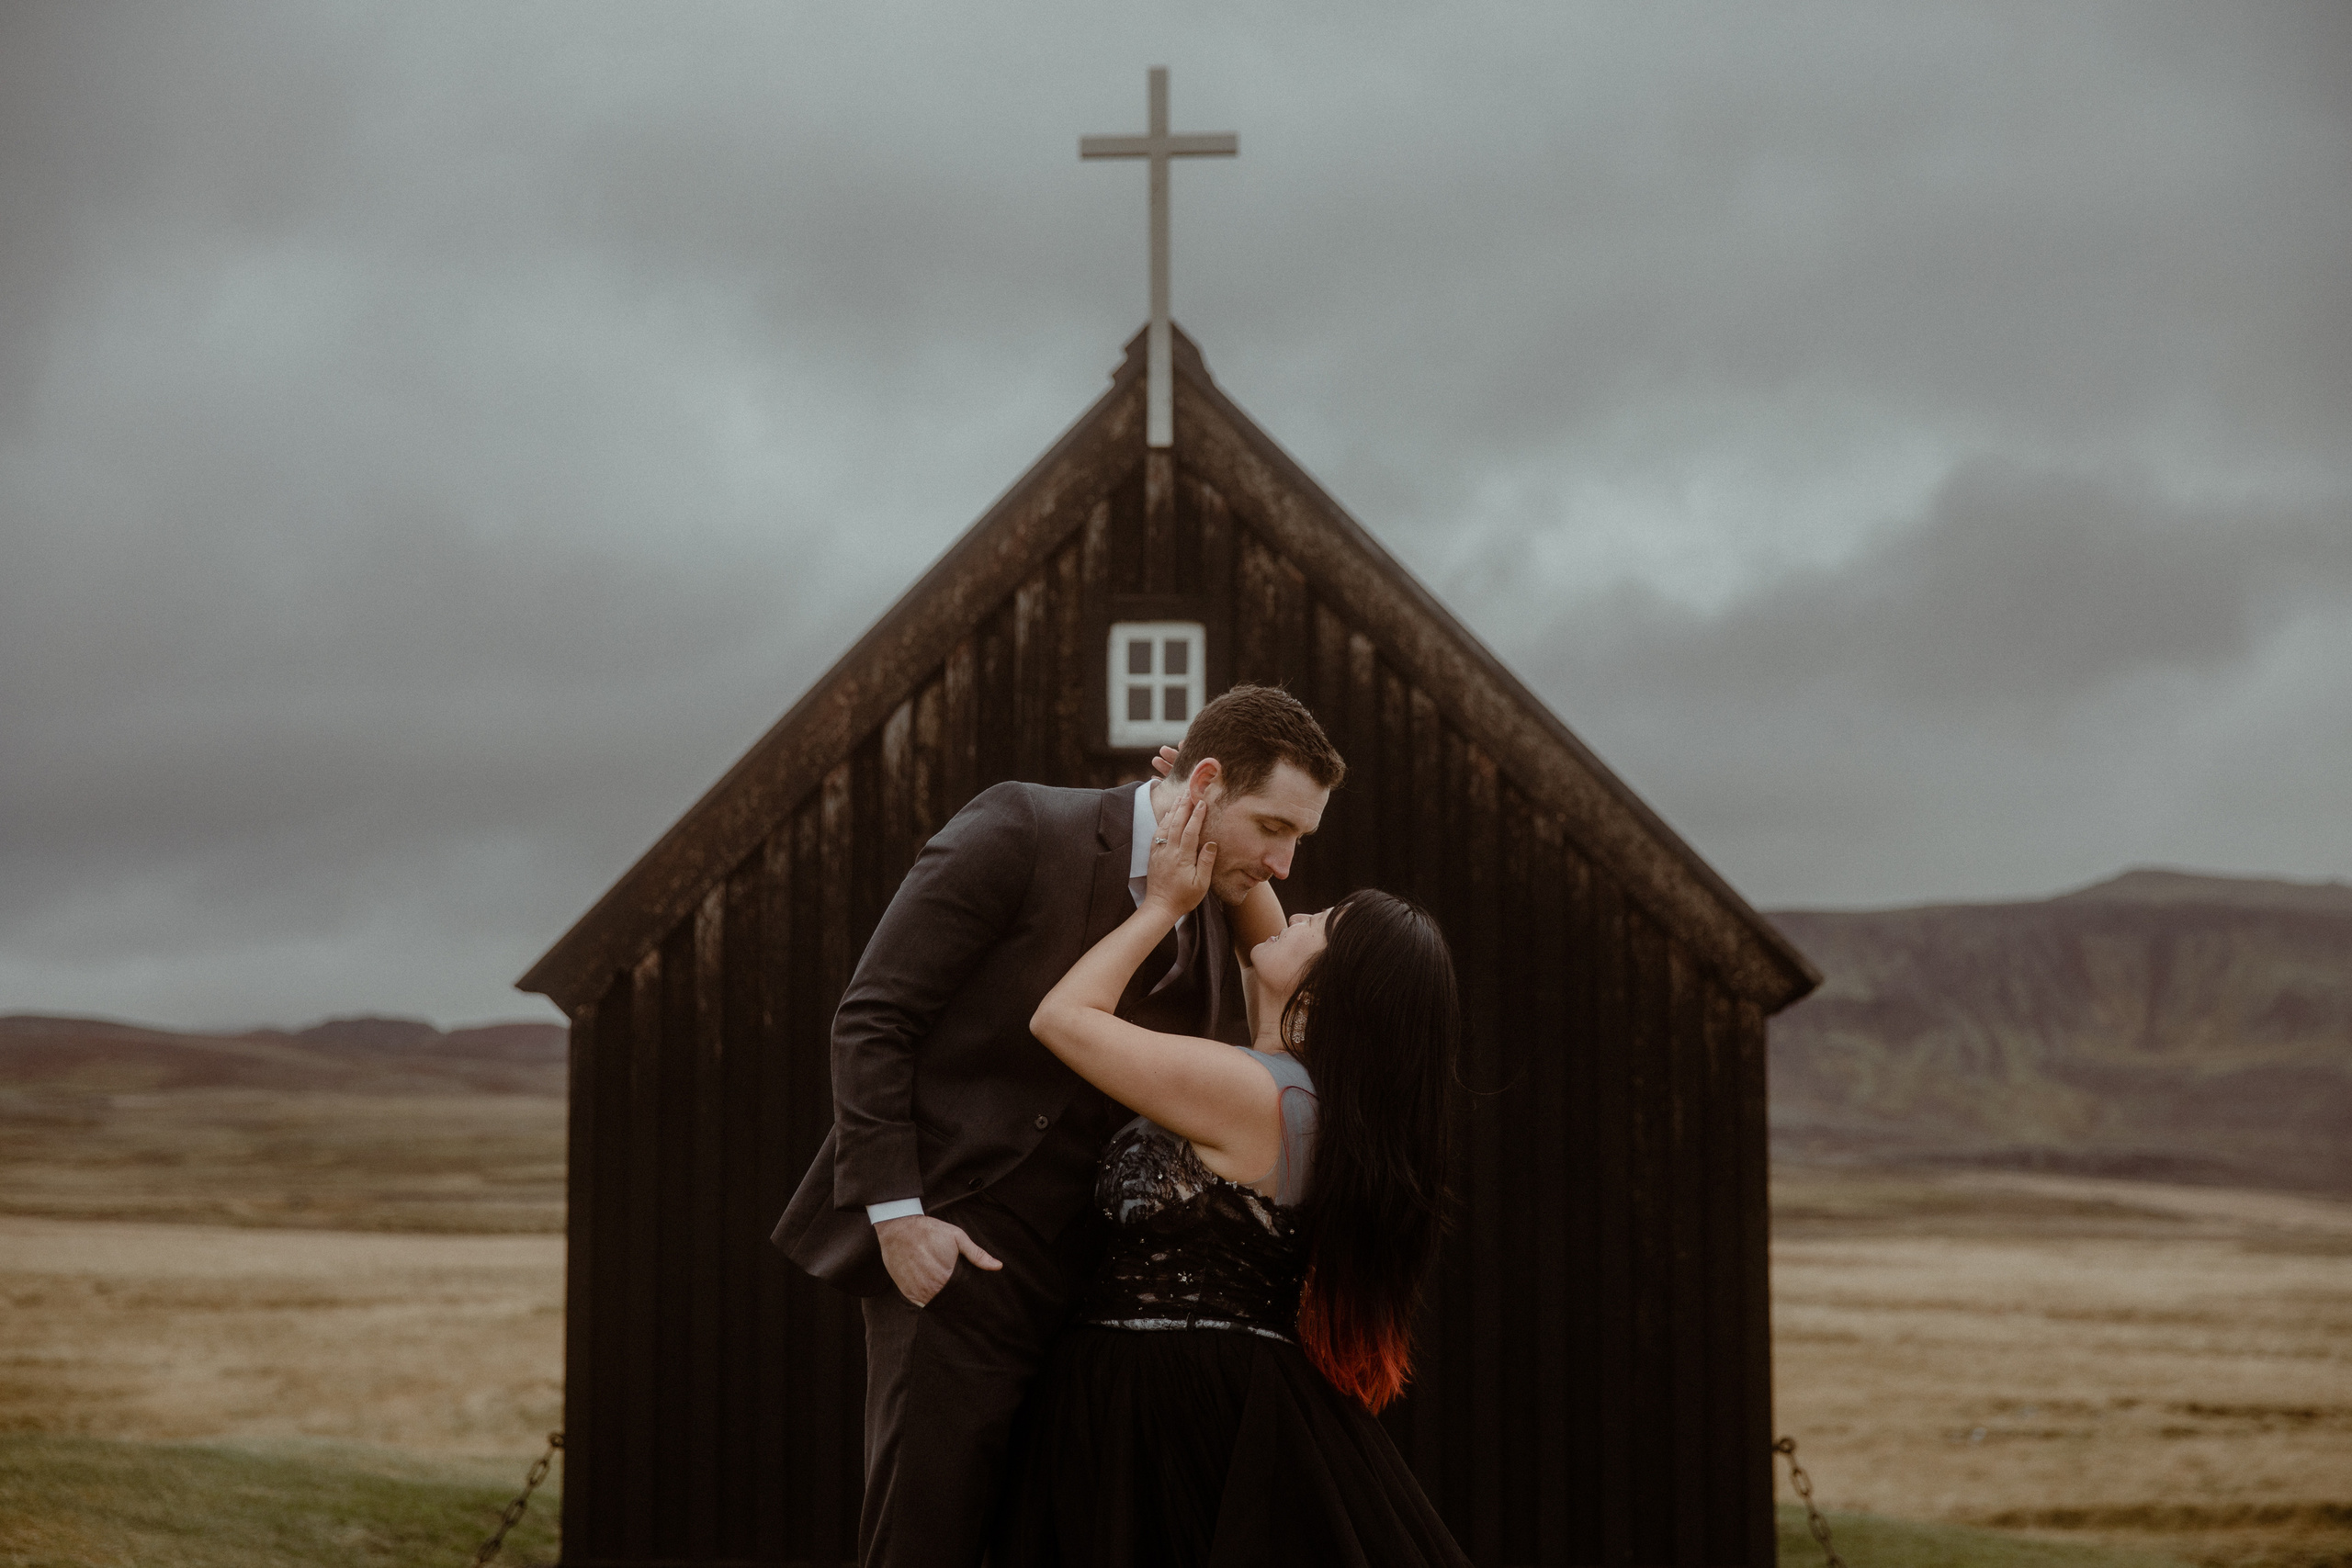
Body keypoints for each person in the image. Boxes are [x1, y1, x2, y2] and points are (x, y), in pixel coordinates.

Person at [770, 686, 1348, 1568]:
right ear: (1206, 782)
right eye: (1273, 827)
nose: (1282, 862)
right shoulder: (1020, 826)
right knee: (928, 1536)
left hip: (1086, 1300)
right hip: (956, 1257)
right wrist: (899, 1220)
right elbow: (873, 1017)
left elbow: (1301, 978)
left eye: (1299, 838)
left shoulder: (1221, 901)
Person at [993, 790, 1468, 1566]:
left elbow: (1063, 1018)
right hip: (1215, 1387)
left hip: (1163, 1400)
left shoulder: (1255, 1092)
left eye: (1323, 924)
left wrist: (1161, 906)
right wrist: (1213, 802)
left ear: (1337, 993)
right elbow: (1262, 926)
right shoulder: (1308, 1095)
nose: (1298, 915)